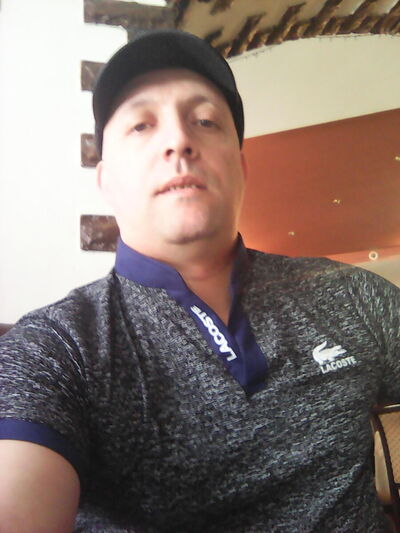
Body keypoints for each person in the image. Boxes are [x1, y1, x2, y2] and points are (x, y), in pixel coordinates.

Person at [0, 29, 399, 533]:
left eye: (205, 121)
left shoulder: (352, 295)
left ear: (241, 167)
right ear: (106, 182)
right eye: (141, 125)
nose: (179, 141)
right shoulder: (57, 347)